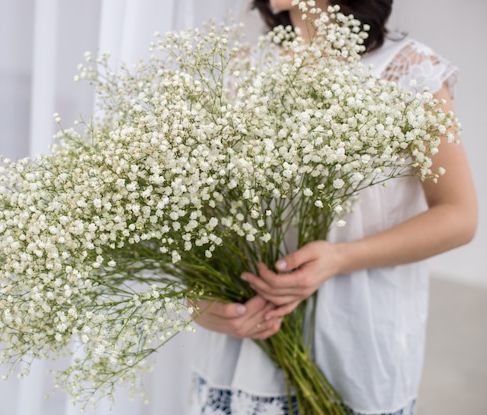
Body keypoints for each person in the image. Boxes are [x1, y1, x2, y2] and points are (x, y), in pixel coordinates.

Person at [189, 0, 478, 414]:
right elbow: (198, 214)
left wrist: (339, 258)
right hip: (243, 348)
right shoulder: (238, 68)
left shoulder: (408, 70)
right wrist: (199, 299)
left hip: (356, 340)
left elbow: (459, 216)